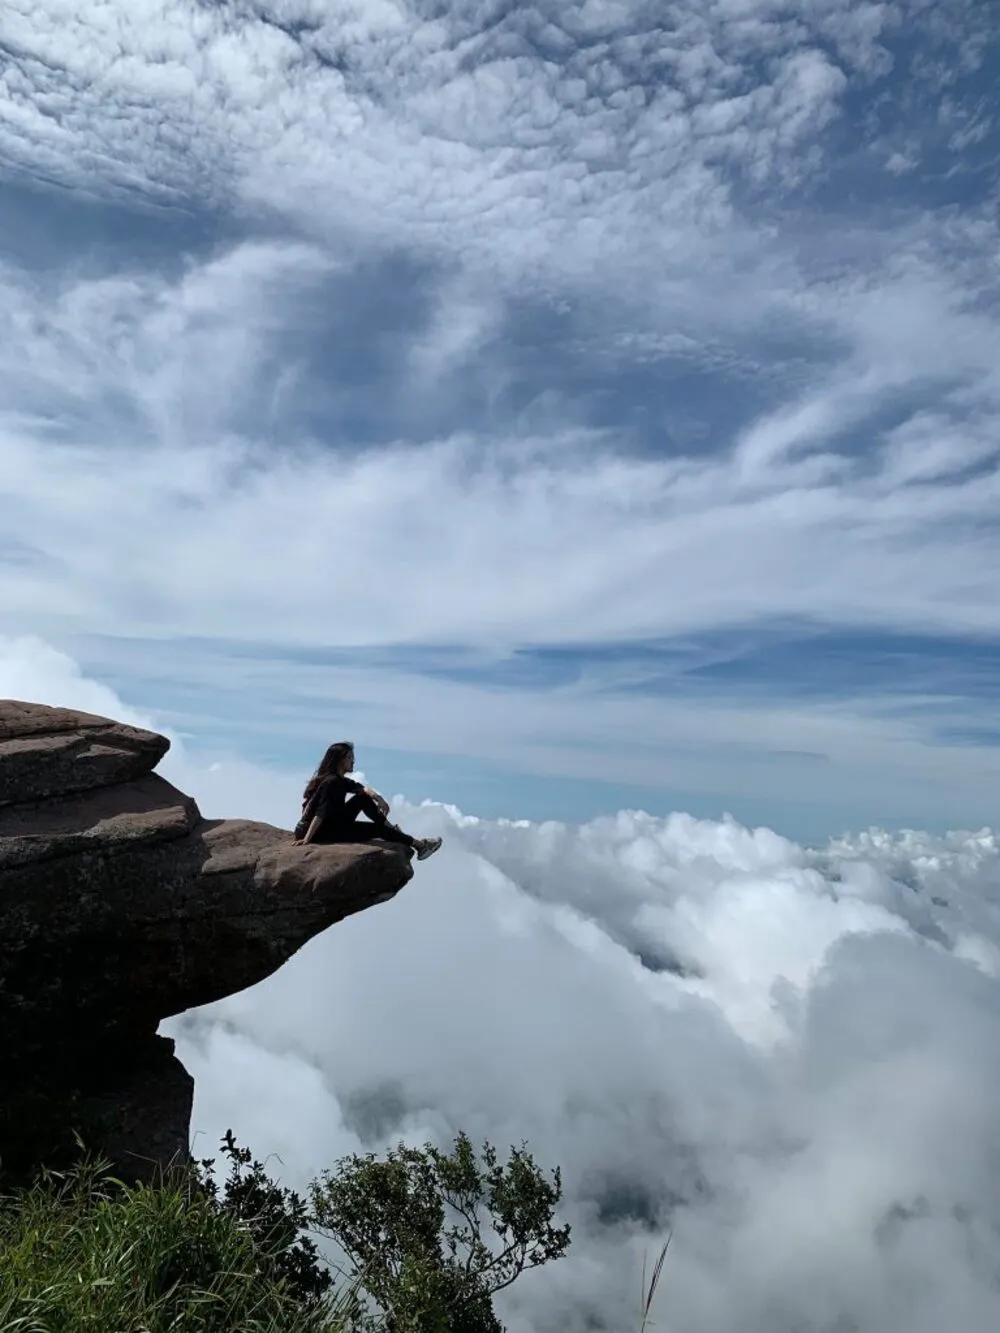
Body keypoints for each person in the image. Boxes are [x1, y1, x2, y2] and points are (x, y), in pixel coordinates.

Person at [294, 741, 442, 860]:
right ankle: (420, 845)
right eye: (350, 758)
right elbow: (320, 813)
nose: (353, 761)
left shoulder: (339, 780)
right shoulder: (331, 782)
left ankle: (392, 829)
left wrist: (378, 798)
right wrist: (307, 840)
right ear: (340, 760)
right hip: (321, 831)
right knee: (378, 830)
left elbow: (363, 789)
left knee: (362, 798)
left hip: (332, 824)